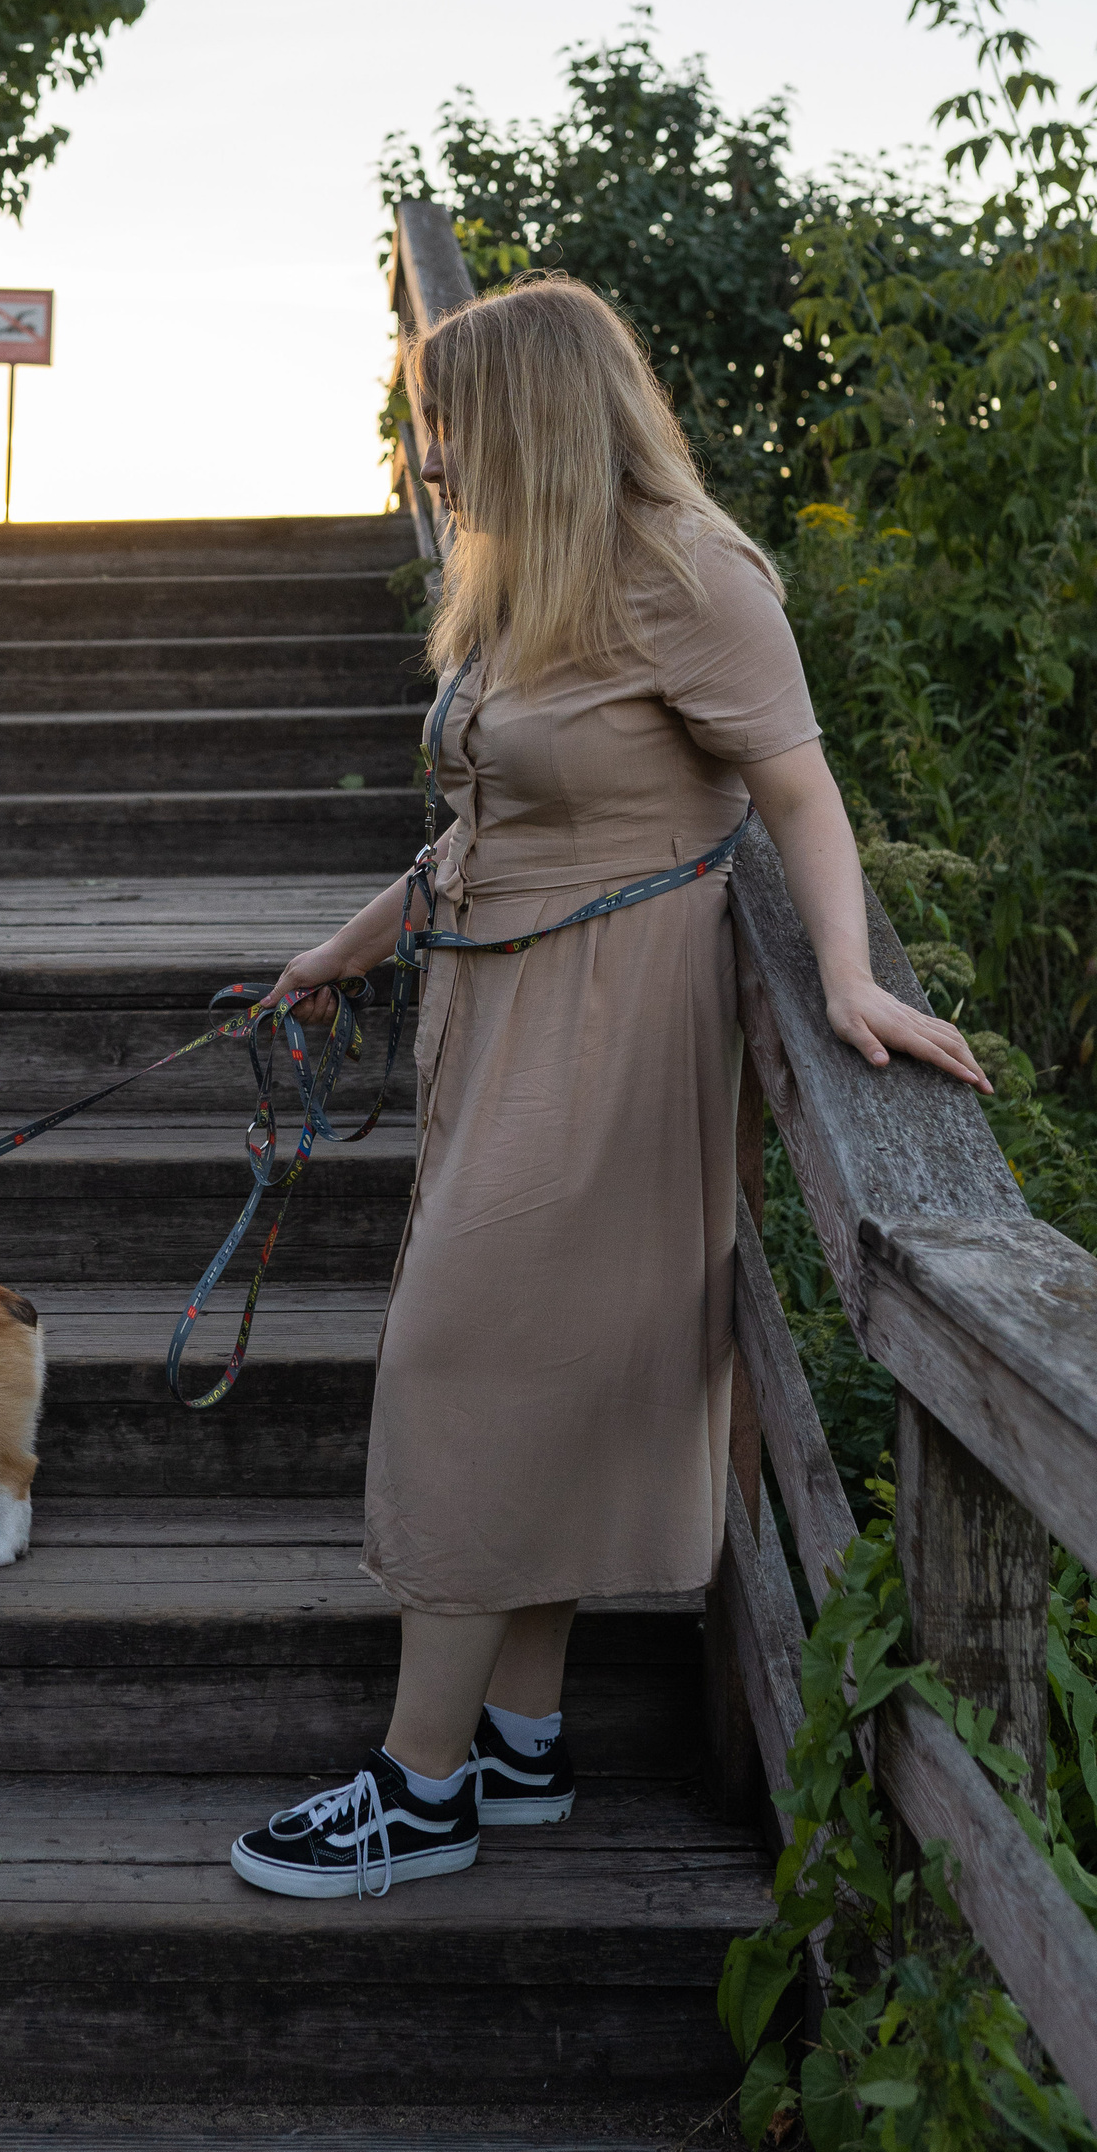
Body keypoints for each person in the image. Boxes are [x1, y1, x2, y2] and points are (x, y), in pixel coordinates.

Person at [230, 275, 988, 1902]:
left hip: (615, 1031)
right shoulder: (530, 578)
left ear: (538, 419)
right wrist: (340, 952)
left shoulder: (693, 575)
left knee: (461, 1367)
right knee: (532, 1370)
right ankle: (520, 1739)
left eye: (451, 427)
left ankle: (420, 1790)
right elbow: (481, 828)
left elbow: (800, 795)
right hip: (499, 1018)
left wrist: (848, 977)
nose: (433, 461)